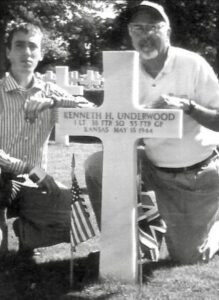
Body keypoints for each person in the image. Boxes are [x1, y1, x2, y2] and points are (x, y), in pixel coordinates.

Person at [85, 0, 219, 265]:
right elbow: (110, 119)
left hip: (194, 174)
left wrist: (189, 107)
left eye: (153, 27)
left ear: (167, 31)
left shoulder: (192, 64)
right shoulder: (124, 70)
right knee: (97, 166)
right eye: (137, 28)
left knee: (188, 257)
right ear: (130, 34)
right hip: (152, 166)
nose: (145, 35)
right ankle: (123, 242)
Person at [0, 20, 92, 256]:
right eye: (19, 46)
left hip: (33, 182)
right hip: (8, 176)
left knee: (76, 221)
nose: (26, 52)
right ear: (8, 52)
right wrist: (31, 168)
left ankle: (26, 233)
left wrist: (54, 101)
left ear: (40, 54)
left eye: (33, 46)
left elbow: (91, 111)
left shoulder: (48, 91)